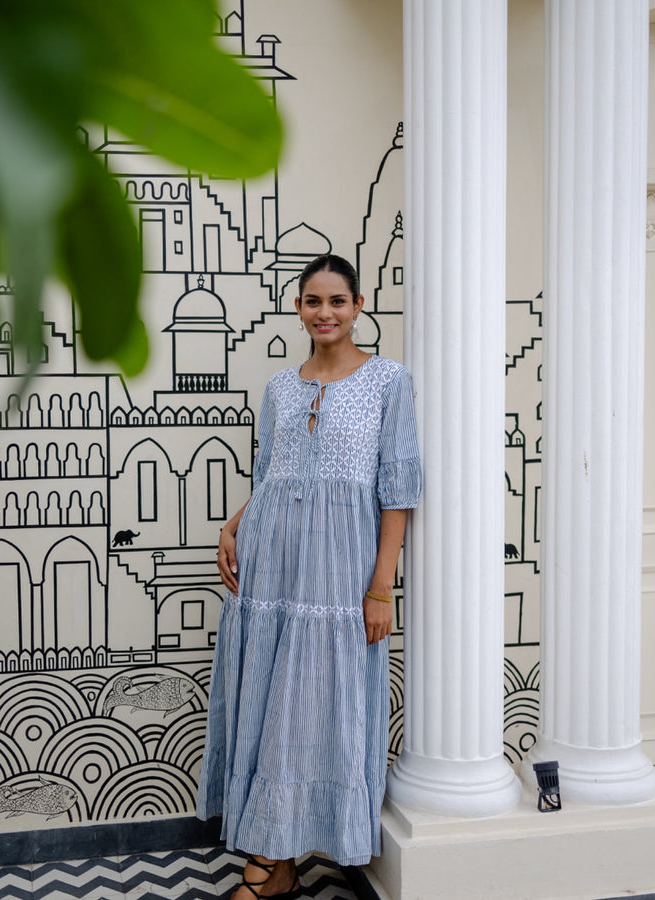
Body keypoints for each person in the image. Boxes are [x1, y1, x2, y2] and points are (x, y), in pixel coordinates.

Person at [196, 253, 422, 900]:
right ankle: (275, 860)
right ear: (297, 308)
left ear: (358, 307)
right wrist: (233, 525)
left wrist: (382, 586)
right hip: (271, 565)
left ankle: (275, 862)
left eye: (338, 301)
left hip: (339, 570)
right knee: (272, 702)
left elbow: (397, 489)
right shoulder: (280, 387)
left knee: (315, 703)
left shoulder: (388, 382)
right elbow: (273, 472)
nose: (325, 313)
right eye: (312, 301)